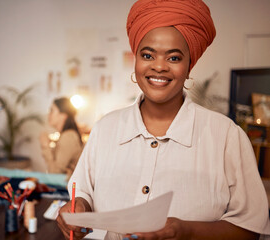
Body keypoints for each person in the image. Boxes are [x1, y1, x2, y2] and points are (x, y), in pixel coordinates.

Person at [56, 0, 270, 239]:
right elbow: (82, 191)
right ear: (136, 60)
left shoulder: (226, 136)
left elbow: (250, 229)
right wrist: (79, 208)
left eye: (174, 58)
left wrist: (185, 231)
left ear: (189, 66)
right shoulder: (105, 129)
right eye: (147, 55)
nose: (158, 67)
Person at [40, 97, 83, 179]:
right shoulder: (67, 135)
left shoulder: (68, 136)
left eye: (52, 110)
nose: (48, 114)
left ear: (63, 115)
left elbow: (55, 173)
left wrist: (45, 146)